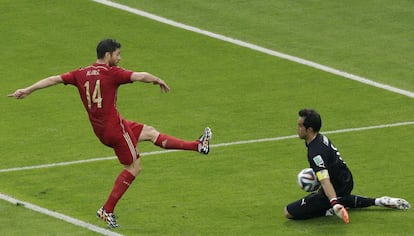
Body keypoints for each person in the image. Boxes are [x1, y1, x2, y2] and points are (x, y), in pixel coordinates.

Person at [8, 38, 212, 228]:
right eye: (118, 54)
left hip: (103, 128)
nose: (119, 58)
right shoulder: (112, 73)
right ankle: (107, 210)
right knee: (134, 167)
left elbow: (53, 79)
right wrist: (157, 79)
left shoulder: (80, 73)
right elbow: (139, 76)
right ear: (108, 55)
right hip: (116, 130)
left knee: (149, 132)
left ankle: (198, 145)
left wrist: (27, 90)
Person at [284, 108, 410, 224]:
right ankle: (377, 201)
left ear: (309, 129)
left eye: (300, 125)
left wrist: (334, 203)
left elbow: (325, 179)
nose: (297, 128)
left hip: (337, 186)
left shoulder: (315, 151)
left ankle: (332, 207)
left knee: (289, 212)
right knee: (333, 197)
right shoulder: (320, 138)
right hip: (346, 179)